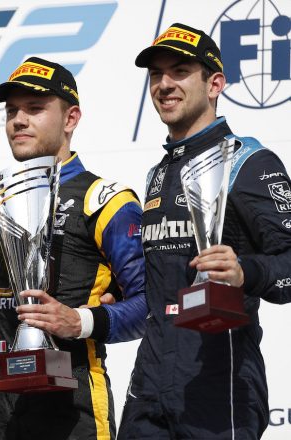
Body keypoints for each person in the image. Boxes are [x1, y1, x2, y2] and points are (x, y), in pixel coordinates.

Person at [118, 23, 291, 439]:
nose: (164, 84)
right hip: (149, 382)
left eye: (179, 71)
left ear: (214, 84)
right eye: (156, 74)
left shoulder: (249, 162)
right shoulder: (158, 174)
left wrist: (244, 271)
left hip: (220, 381)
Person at [0, 57, 148, 440]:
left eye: (35, 109)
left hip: (71, 409)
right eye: (12, 111)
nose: (19, 120)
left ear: (71, 118)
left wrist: (81, 321)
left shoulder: (103, 200)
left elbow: (151, 305)